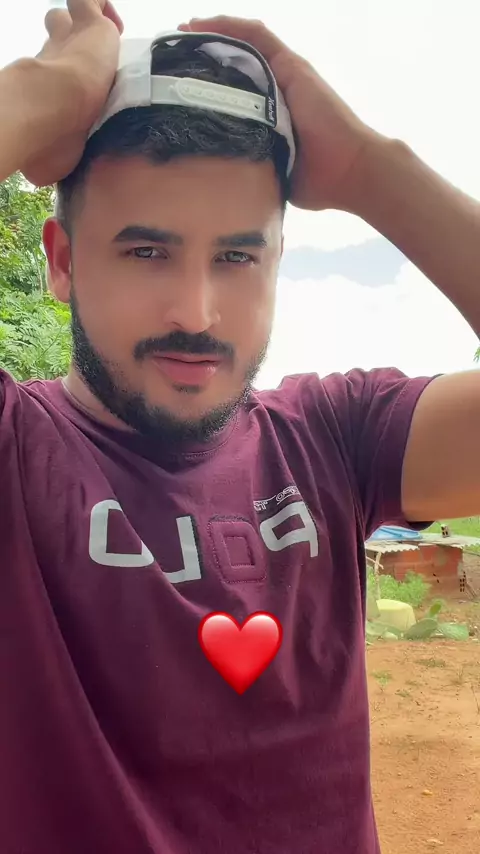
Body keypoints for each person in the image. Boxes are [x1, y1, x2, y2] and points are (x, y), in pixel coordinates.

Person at [1, 2, 479, 852]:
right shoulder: (15, 451)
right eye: (146, 252)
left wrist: (372, 166)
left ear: (277, 261)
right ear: (64, 261)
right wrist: (51, 89)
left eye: (236, 257)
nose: (197, 313)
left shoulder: (337, 437)